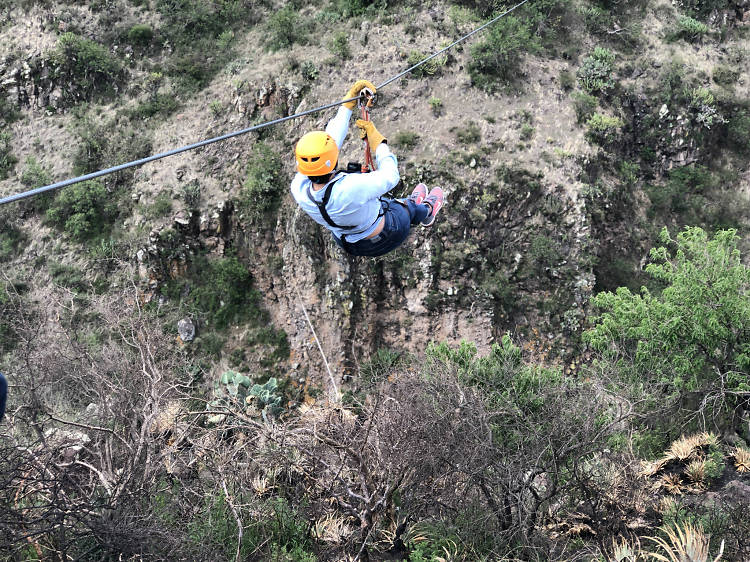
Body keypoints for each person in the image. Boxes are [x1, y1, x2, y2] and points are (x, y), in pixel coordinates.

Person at [290, 79, 444, 257]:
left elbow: (330, 141)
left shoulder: (299, 189)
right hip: (385, 236)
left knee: (387, 204)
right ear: (332, 159)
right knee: (405, 209)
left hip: (346, 242)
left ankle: (410, 205)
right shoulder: (350, 188)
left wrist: (348, 103)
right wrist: (379, 143)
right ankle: (427, 210)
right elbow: (391, 176)